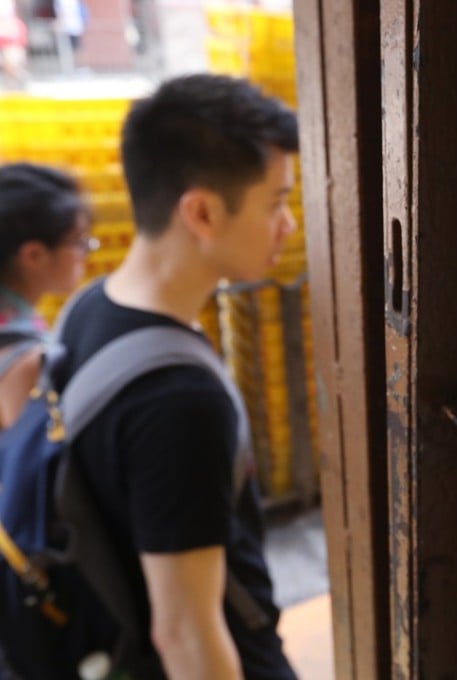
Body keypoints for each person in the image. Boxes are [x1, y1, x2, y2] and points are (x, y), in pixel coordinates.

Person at [53, 73, 299, 678]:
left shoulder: (89, 305)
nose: (288, 226)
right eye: (275, 203)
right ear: (202, 211)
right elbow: (185, 631)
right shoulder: (178, 402)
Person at [0, 162, 93, 429]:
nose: (86, 252)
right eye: (78, 241)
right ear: (34, 255)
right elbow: (31, 466)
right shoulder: (25, 363)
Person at [0, 0, 27, 87]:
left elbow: (20, 40)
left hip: (12, 50)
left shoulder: (16, 23)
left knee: (10, 59)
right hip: (4, 50)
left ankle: (20, 79)